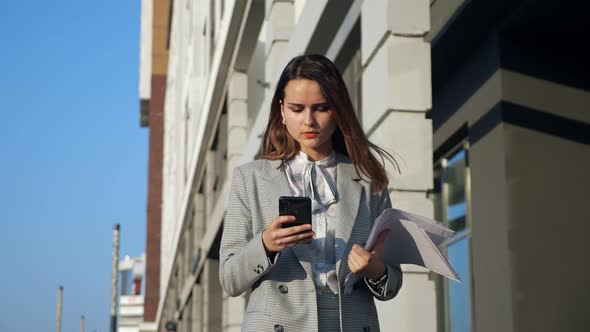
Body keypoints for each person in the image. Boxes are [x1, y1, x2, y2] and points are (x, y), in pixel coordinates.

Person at [219, 54, 403, 332]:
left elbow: (392, 284)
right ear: (281, 110)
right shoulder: (250, 178)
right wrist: (267, 244)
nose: (309, 121)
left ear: (338, 110)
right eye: (297, 108)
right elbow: (229, 279)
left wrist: (375, 270)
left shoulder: (368, 179)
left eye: (321, 108)